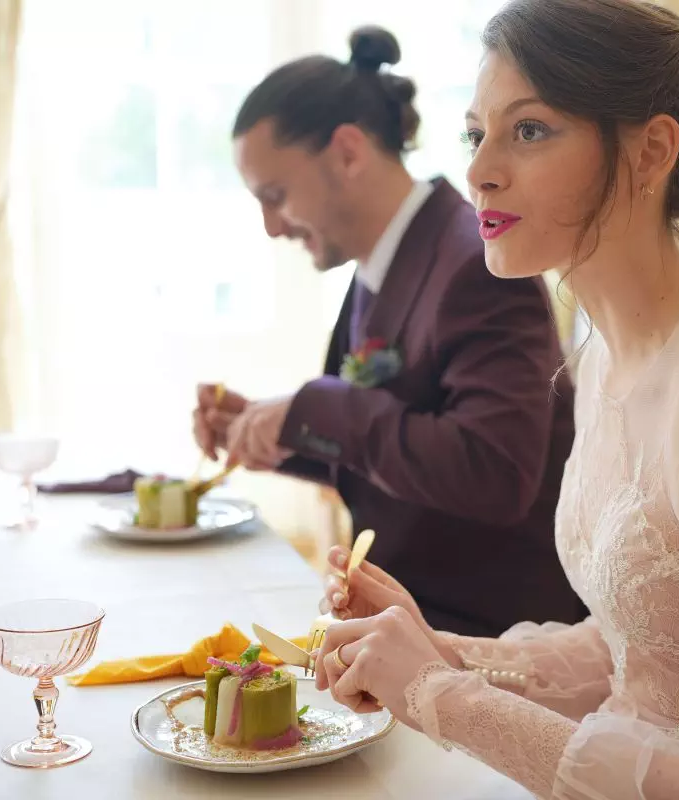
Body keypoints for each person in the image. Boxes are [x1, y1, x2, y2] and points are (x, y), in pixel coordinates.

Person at [311, 2, 679, 798]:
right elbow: (639, 648)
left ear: (652, 151)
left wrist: (440, 696)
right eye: (477, 135)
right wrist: (436, 652)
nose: (479, 171)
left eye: (528, 130)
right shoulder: (601, 360)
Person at [192, 26, 586, 637]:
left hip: (492, 634)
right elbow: (394, 441)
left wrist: (318, 409)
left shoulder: (477, 265)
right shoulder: (381, 262)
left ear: (348, 152)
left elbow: (494, 472)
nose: (271, 227)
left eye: (276, 195)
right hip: (405, 622)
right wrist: (277, 428)